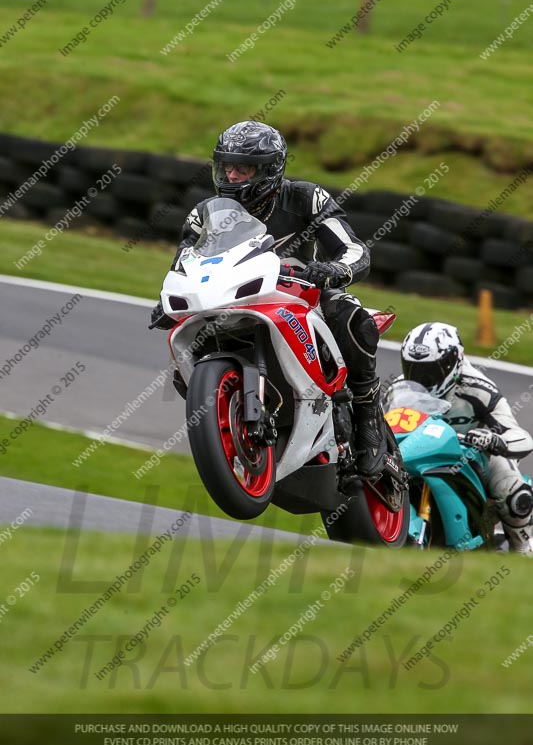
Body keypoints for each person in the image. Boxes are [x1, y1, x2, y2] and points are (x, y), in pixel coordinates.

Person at [151, 120, 388, 476]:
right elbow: (184, 261)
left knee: (348, 313)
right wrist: (166, 302)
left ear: (269, 170)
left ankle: (369, 417)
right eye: (225, 167)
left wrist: (333, 270)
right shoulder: (203, 214)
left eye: (242, 169)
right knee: (184, 364)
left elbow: (354, 249)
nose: (231, 176)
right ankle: (227, 423)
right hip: (233, 296)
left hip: (301, 292)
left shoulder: (306, 197)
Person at [399, 322, 533, 553]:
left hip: (473, 455)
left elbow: (520, 435)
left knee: (514, 494)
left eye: (431, 370)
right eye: (413, 369)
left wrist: (494, 440)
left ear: (455, 361)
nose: (420, 378)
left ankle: (522, 550)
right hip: (417, 451)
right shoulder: (400, 387)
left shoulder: (478, 388)